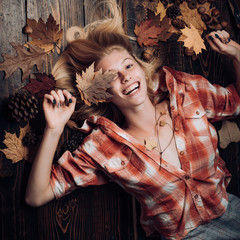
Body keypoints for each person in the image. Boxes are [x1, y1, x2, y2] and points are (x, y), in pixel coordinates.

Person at [25, 1, 240, 239]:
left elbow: (236, 101)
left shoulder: (183, 90)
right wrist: (53, 129)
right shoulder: (104, 148)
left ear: (140, 67)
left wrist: (236, 54)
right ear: (102, 93)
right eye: (111, 77)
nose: (126, 77)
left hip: (232, 210)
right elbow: (36, 196)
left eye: (128, 65)